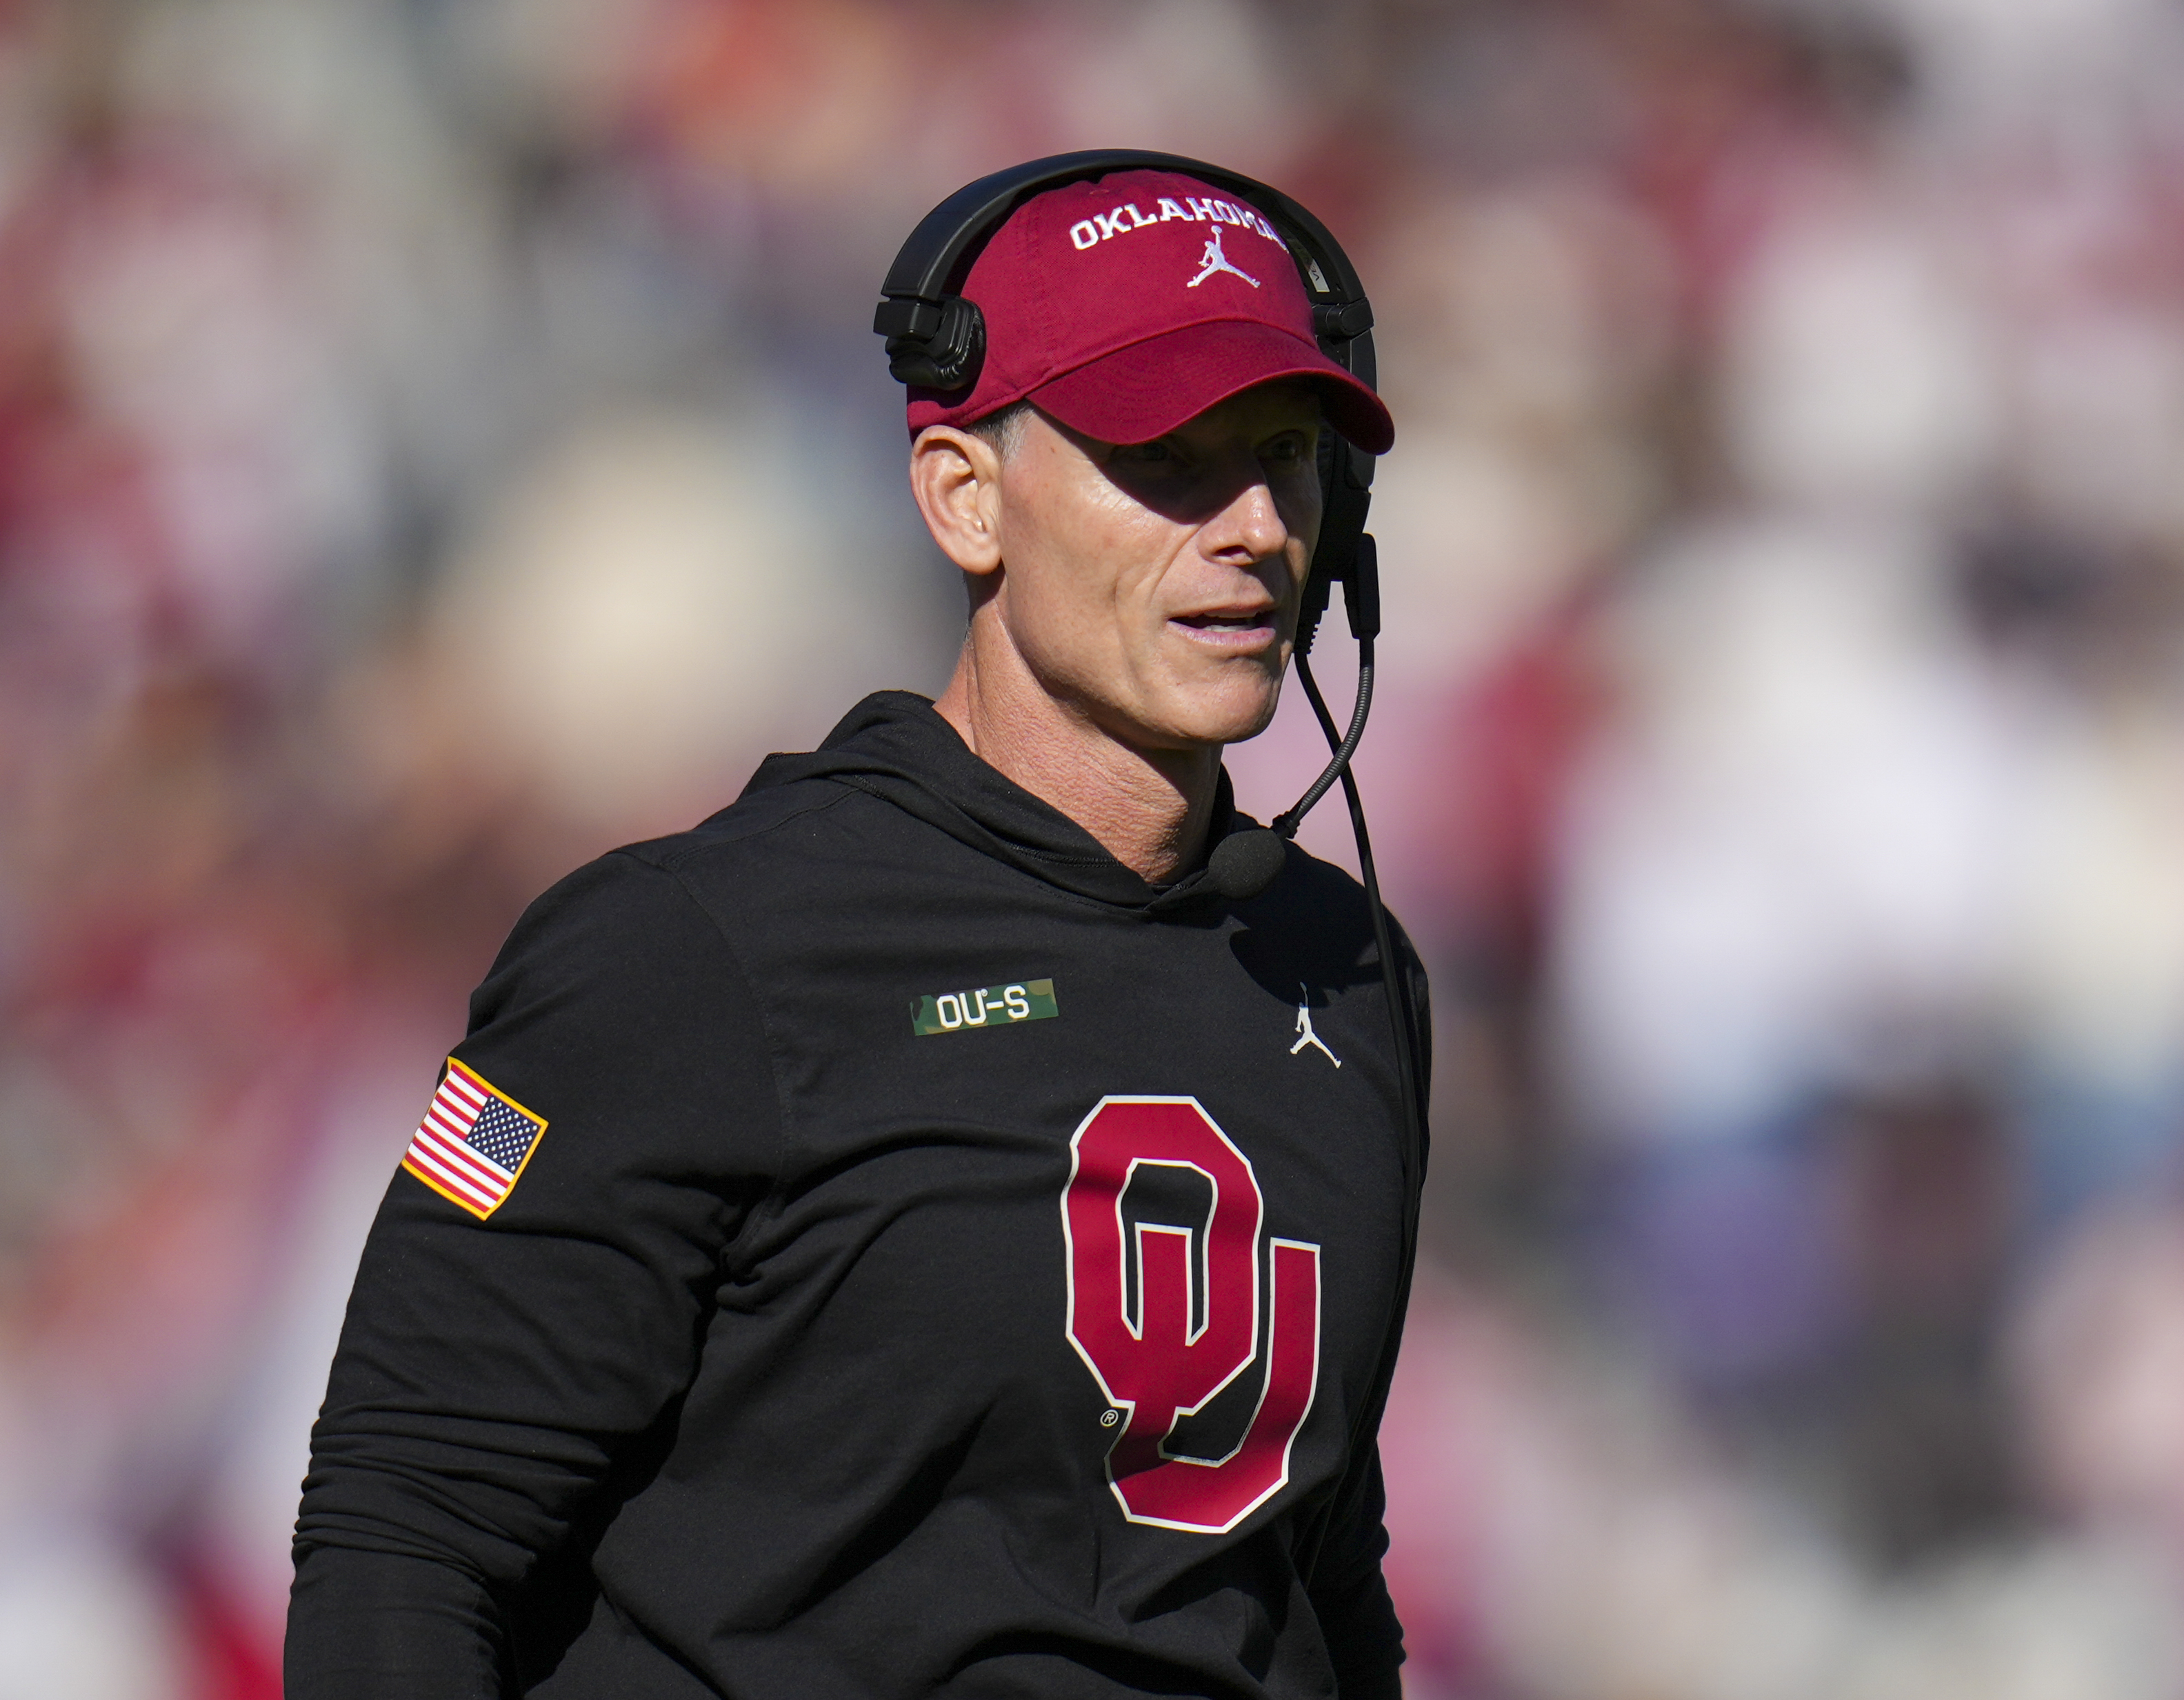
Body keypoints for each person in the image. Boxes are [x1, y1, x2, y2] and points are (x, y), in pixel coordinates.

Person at [285, 161, 1424, 1699]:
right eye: (1167, 458)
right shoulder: (685, 952)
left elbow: (1317, 1572)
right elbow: (406, 1534)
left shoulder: (1349, 977)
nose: (1247, 528)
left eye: (1282, 458)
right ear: (965, 497)